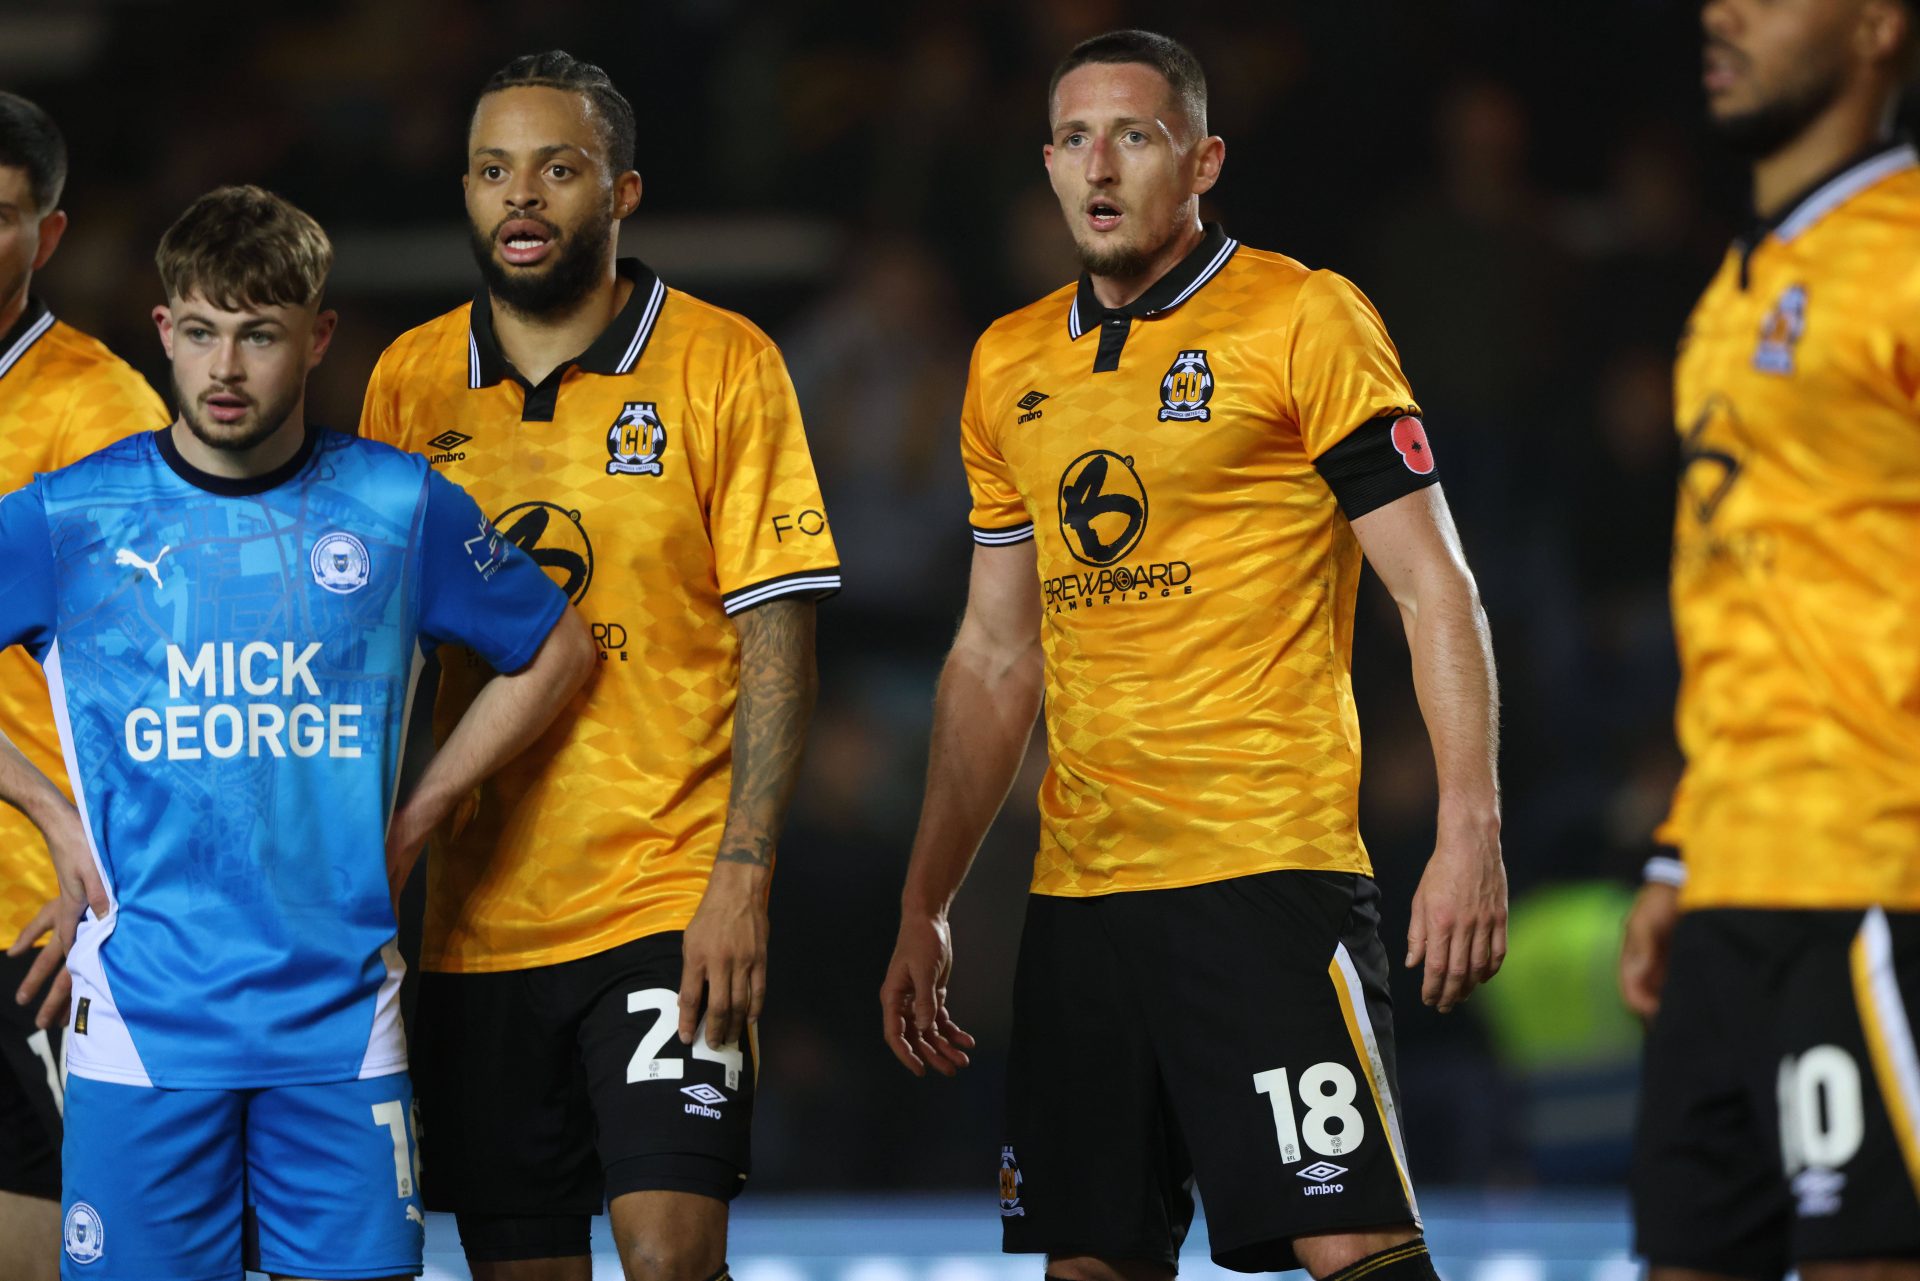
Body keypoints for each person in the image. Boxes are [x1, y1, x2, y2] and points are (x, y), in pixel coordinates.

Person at [880, 29, 1505, 1281]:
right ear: (1047, 166)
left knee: (1352, 1239)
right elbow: (996, 655)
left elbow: (1433, 585)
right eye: (1074, 138)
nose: (1100, 166)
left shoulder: (1303, 315)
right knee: (1088, 1258)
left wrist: (1469, 827)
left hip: (1265, 868)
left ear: (1204, 160)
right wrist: (927, 902)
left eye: (1136, 135)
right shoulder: (1008, 362)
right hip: (1082, 892)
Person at [0, 184, 592, 1281]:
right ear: (164, 331)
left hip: (342, 1026)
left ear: (317, 338)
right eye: (202, 332)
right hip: (141, 1024)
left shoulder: (398, 505)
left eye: (260, 335)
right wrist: (49, 811)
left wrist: (421, 812)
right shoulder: (70, 515)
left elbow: (557, 649)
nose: (226, 368)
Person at [359, 51, 838, 1281]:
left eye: (557, 169)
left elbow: (777, 633)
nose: (520, 196)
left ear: (621, 193)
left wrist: (741, 878)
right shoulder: (409, 380)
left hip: (663, 897)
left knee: (671, 1252)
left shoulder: (723, 361)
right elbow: (380, 661)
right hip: (478, 922)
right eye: (493, 171)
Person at [1620, 0, 1920, 1273]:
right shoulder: (1732, 291)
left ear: (1877, 27)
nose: (1722, 12)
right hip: (1730, 885)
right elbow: (1750, 608)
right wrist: (1684, 852)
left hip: (1874, 870)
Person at [0, 90, 168, 1281]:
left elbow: (166, 684)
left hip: (33, 919)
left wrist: (102, 875)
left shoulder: (100, 412)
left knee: (71, 1242)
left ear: (48, 235)